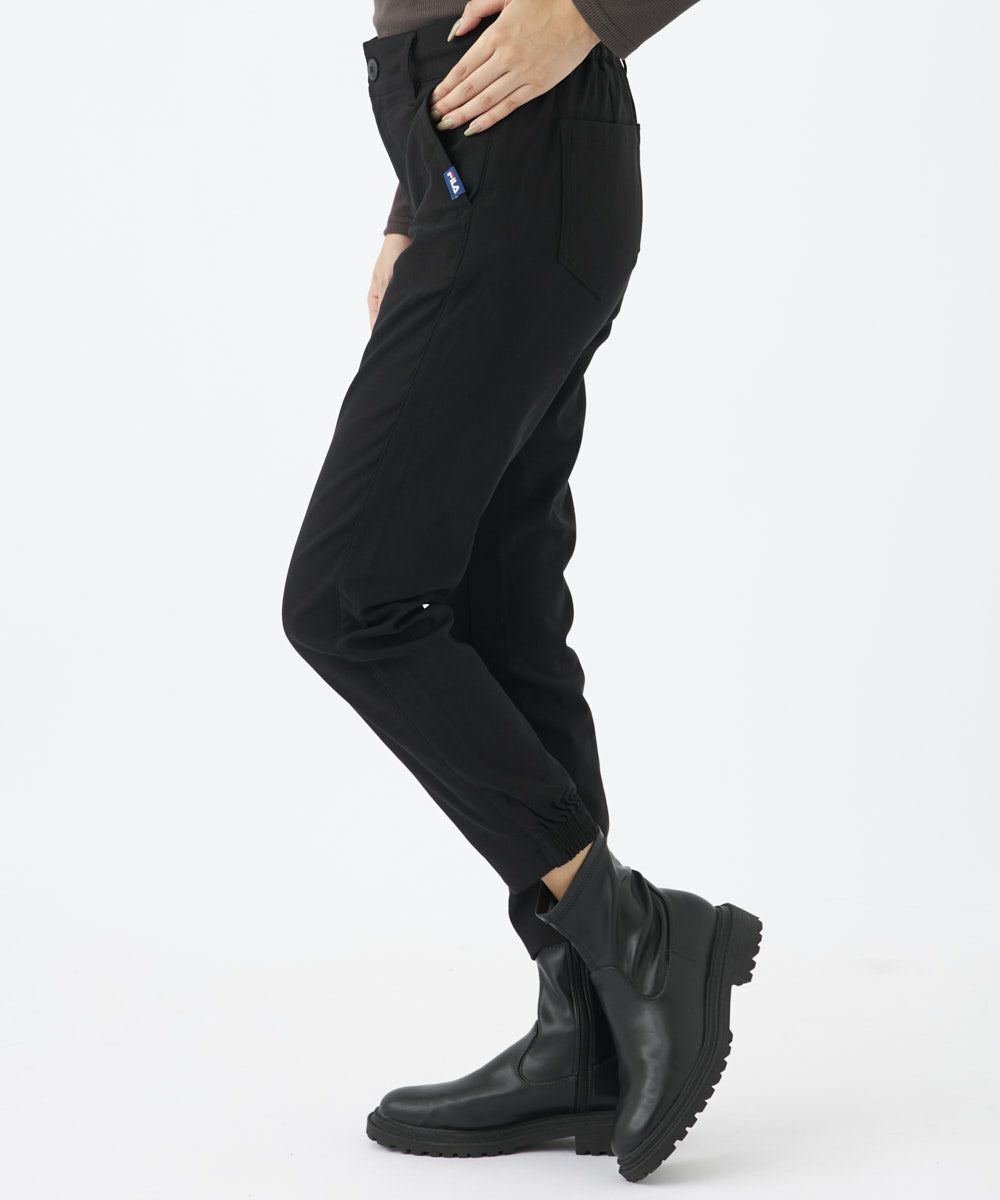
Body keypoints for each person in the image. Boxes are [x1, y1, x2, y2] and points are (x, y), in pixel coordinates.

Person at [281, 0, 761, 1182]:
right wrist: (414, 197)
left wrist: (592, 13)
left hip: (521, 141)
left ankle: (632, 931)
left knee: (351, 600)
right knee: (499, 607)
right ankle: (587, 1033)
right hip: (480, 155)